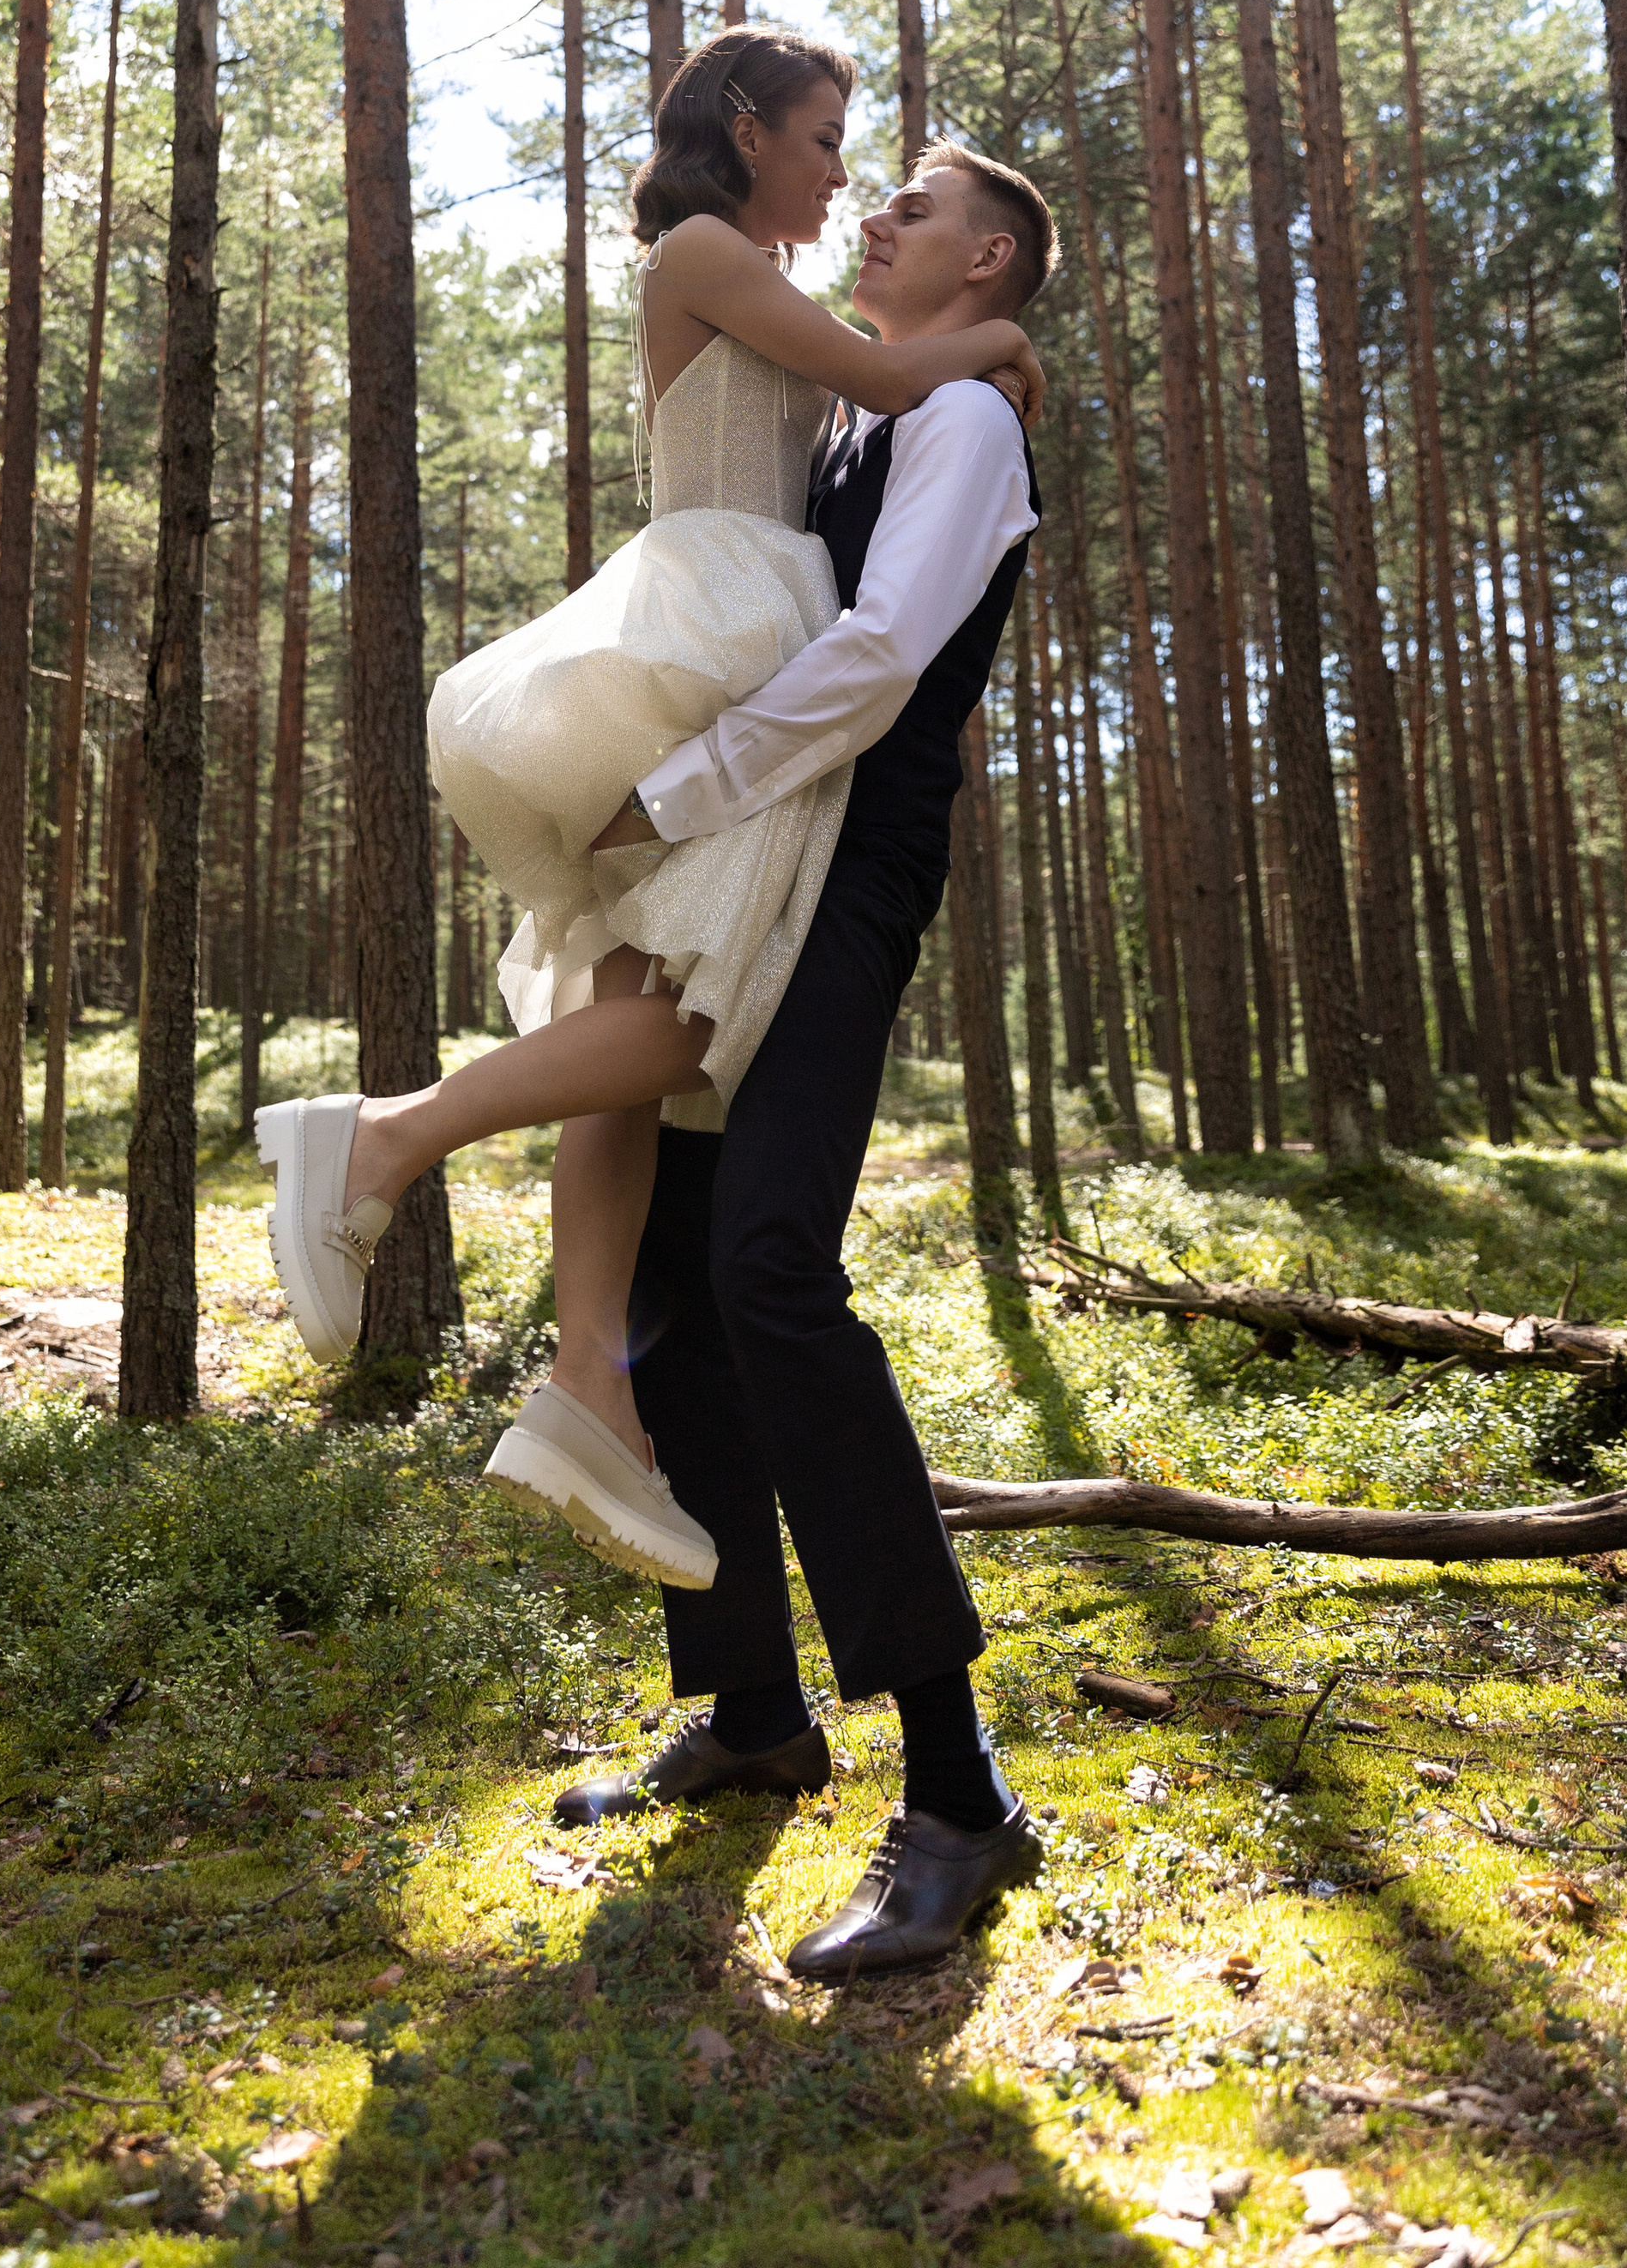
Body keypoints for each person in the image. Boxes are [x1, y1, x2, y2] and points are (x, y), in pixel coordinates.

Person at [255, 25, 1044, 1604]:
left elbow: (887, 475)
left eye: (880, 174)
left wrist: (976, 354)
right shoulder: (714, 259)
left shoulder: (803, 315)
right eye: (827, 144)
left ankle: (588, 1388)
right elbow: (888, 379)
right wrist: (1002, 341)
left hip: (745, 640)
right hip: (718, 630)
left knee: (639, 1012)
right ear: (748, 132)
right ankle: (382, 1140)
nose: (847, 185)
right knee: (677, 1018)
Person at [547, 134, 1061, 1986]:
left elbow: (881, 654)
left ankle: (960, 1792)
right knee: (685, 1271)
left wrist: (672, 792)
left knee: (771, 1267)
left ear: (986, 262)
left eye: (915, 205)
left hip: (848, 865)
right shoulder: (864, 409)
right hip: (762, 857)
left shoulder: (965, 425)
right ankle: (755, 1712)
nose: (877, 215)